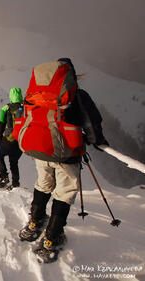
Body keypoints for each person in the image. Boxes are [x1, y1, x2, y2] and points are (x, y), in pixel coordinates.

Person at [19, 58, 109, 253]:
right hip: (66, 154)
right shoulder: (77, 95)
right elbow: (92, 123)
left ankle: (34, 224)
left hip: (42, 150)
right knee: (64, 193)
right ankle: (51, 238)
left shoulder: (37, 94)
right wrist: (97, 141)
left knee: (43, 185)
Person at [0, 87, 23, 188]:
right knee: (14, 162)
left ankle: (4, 177)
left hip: (8, 140)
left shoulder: (6, 108)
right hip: (20, 142)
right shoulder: (26, 108)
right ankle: (15, 183)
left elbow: (1, 125)